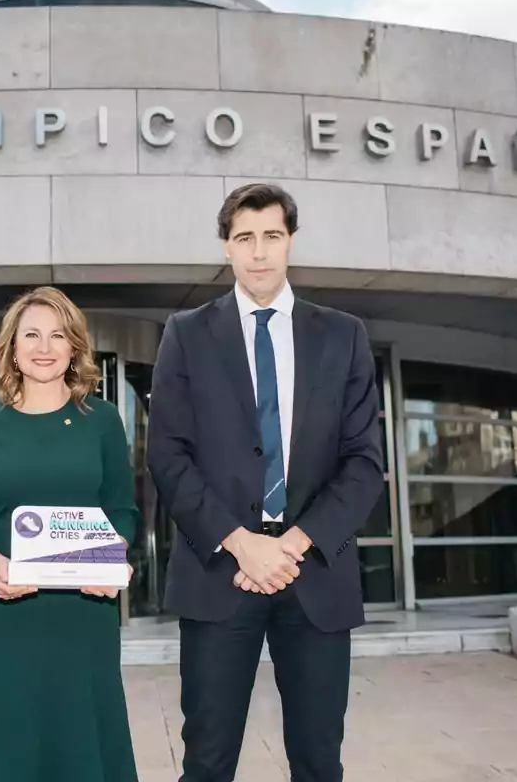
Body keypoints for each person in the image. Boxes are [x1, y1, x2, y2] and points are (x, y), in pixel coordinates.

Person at [146, 183, 384, 782]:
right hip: (219, 572)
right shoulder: (186, 333)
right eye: (244, 238)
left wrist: (294, 542)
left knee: (318, 760)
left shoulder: (344, 335)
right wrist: (241, 541)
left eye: (271, 237)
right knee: (206, 760)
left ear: (291, 243)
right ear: (226, 247)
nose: (259, 252)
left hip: (316, 577)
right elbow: (167, 455)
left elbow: (364, 463)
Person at [0, 286, 140, 782]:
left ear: (75, 346)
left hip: (83, 611)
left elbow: (122, 510)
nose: (44, 346)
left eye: (57, 335)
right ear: (12, 347)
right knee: (8, 738)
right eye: (31, 334)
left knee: (81, 740)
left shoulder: (103, 423)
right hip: (4, 611)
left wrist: (112, 558)